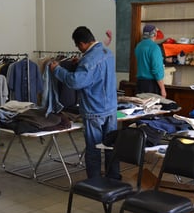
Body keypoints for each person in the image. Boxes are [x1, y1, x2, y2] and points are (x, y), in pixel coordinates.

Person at [49, 26, 119, 179]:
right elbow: (96, 72)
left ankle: (94, 181)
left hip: (94, 110)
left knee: (94, 147)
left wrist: (57, 70)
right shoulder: (107, 52)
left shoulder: (88, 60)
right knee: (111, 145)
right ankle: (113, 177)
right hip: (111, 108)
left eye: (77, 46)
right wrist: (79, 63)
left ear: (81, 44)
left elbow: (75, 82)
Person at [134, 24, 167, 98]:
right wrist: (162, 88)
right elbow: (156, 70)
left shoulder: (138, 46)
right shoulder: (155, 48)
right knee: (153, 108)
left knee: (141, 108)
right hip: (151, 85)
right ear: (154, 34)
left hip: (140, 84)